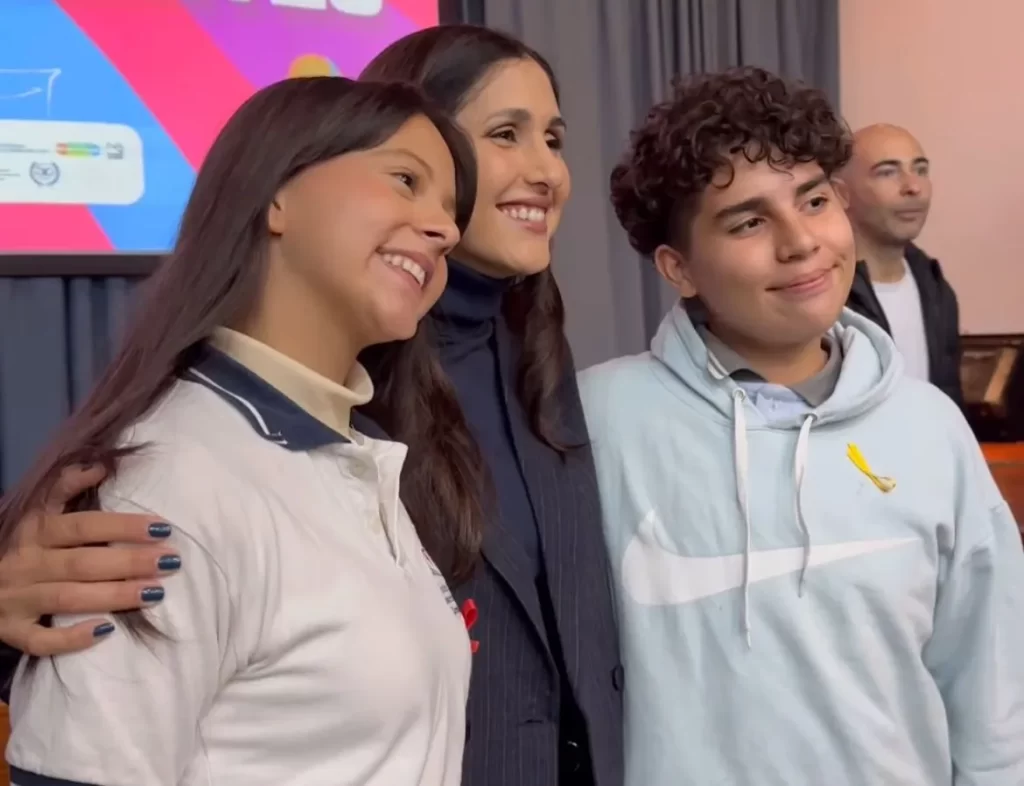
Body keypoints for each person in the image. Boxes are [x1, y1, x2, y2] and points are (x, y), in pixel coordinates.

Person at [0, 26, 623, 786]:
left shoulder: (391, 435)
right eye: (408, 179)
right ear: (279, 192)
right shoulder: (182, 474)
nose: (443, 224)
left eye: (554, 139)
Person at [582, 67, 1024, 785]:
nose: (800, 243)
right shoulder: (600, 422)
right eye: (749, 222)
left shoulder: (929, 429)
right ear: (678, 267)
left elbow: (995, 695)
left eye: (815, 201)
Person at [835, 123, 964, 407]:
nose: (913, 187)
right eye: (887, 172)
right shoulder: (828, 297)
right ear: (841, 193)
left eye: (920, 169)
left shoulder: (936, 288)